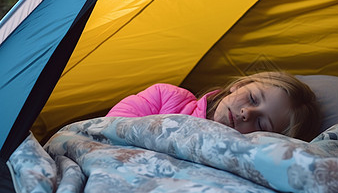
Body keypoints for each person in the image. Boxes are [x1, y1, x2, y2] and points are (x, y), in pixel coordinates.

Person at [106, 71, 320, 141]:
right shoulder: (166, 96)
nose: (247, 112)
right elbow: (111, 128)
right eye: (253, 99)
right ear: (240, 85)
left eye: (262, 123)